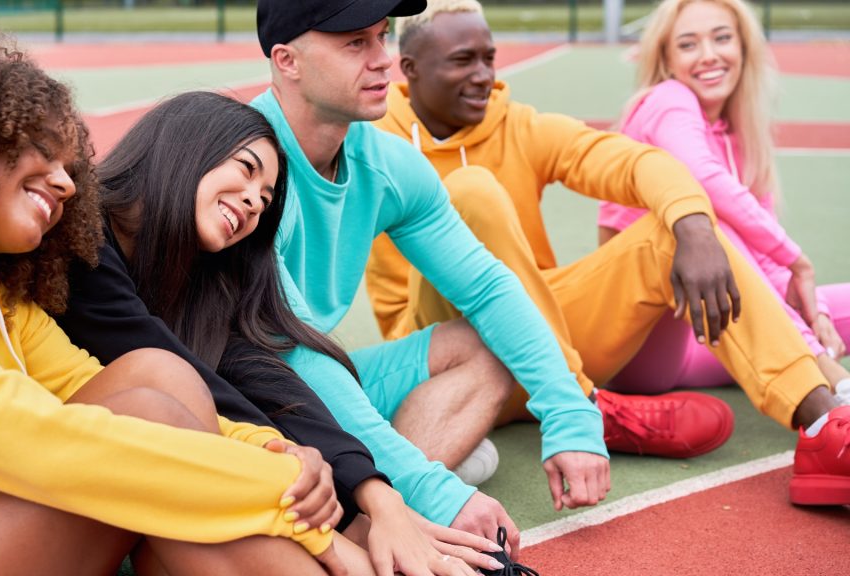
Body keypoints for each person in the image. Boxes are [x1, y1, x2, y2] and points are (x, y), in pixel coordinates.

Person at [0, 30, 353, 576]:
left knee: (157, 375)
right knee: (143, 422)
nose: (67, 184)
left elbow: (90, 385)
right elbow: (32, 438)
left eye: (69, 167)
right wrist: (286, 503)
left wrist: (275, 451)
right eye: (44, 154)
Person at [366, 0, 849, 506]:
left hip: (542, 347)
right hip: (444, 355)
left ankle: (823, 422)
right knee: (470, 190)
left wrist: (694, 225)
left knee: (670, 231)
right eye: (463, 60)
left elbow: (635, 162)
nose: (484, 76)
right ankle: (585, 404)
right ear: (411, 68)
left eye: (489, 58)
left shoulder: (520, 127)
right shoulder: (371, 144)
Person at [56, 90, 498, 575]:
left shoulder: (196, 281)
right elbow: (185, 381)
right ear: (188, 145)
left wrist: (381, 497)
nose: (252, 202)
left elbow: (272, 381)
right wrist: (327, 509)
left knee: (288, 461)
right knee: (190, 405)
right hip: (35, 494)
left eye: (266, 201)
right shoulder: (80, 233)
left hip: (117, 498)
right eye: (246, 170)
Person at [251, 0, 623, 559]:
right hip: (241, 395)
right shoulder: (245, 166)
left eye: (383, 37)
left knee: (481, 345)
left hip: (318, 378)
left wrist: (569, 413)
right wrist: (435, 487)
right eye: (356, 43)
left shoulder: (387, 164)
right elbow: (291, 356)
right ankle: (388, 503)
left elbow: (487, 287)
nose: (385, 61)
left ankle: (381, 495)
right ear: (287, 60)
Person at [597, 0, 850, 397]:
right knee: (703, 222)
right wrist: (798, 263)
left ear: (744, 46)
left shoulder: (741, 134)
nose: (709, 55)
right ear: (665, 58)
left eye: (722, 38)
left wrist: (812, 311)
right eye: (688, 44)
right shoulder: (666, 100)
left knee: (828, 303)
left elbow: (763, 260)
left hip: (711, 332)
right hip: (641, 348)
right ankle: (820, 372)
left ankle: (802, 351)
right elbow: (703, 180)